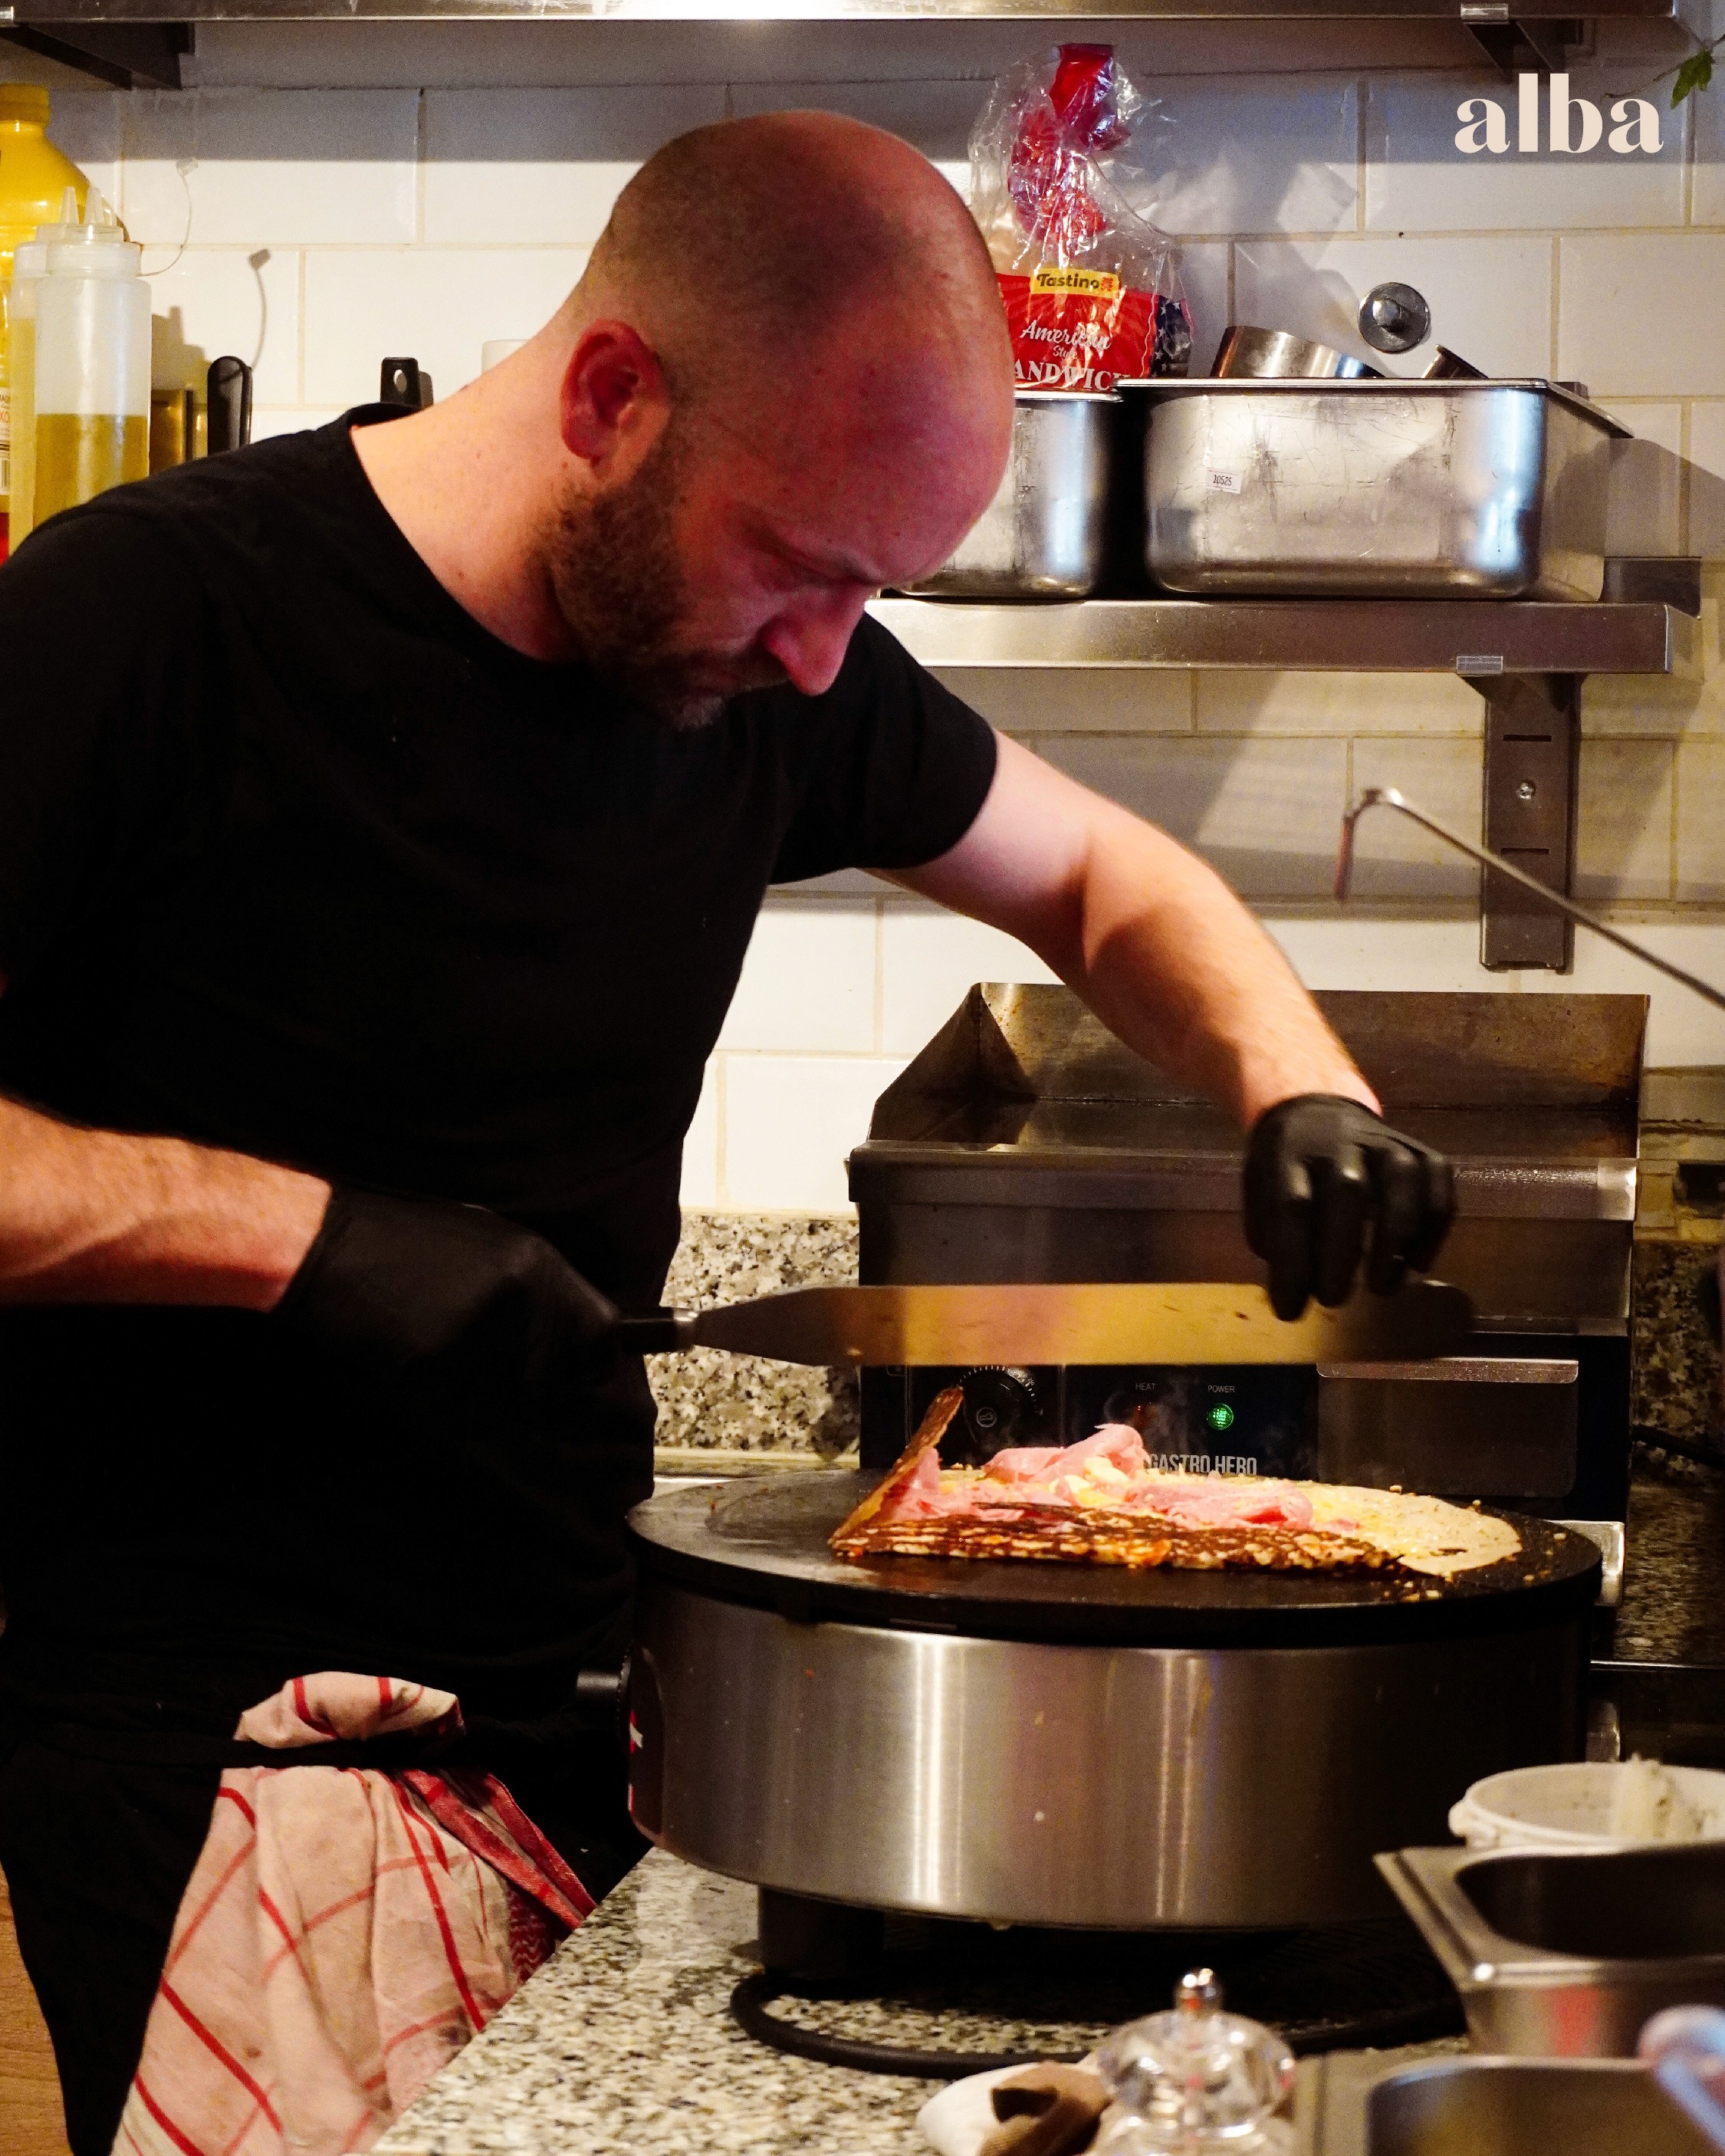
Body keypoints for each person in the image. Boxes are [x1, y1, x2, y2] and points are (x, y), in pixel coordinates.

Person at [0, 111, 1451, 2153]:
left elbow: (1100, 876)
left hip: (586, 1694)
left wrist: (1295, 1084)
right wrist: (298, 1239)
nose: (823, 656)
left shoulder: (773, 667)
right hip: (227, 1746)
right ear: (613, 397)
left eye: (873, 590)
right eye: (801, 566)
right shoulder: (146, 619)